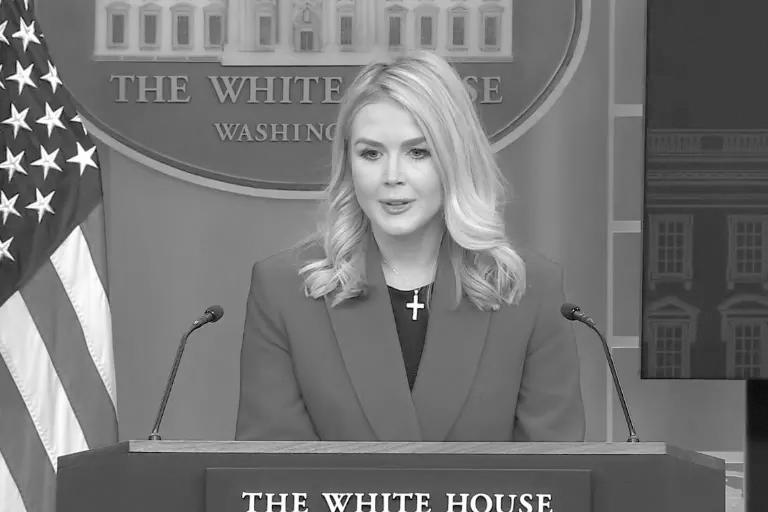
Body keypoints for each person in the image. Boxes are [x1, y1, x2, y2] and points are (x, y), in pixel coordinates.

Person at [235, 50, 585, 442]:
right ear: (348, 164)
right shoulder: (284, 289)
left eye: (418, 152)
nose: (392, 176)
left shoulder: (529, 289)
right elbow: (271, 471)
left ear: (455, 159)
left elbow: (552, 469)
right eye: (371, 154)